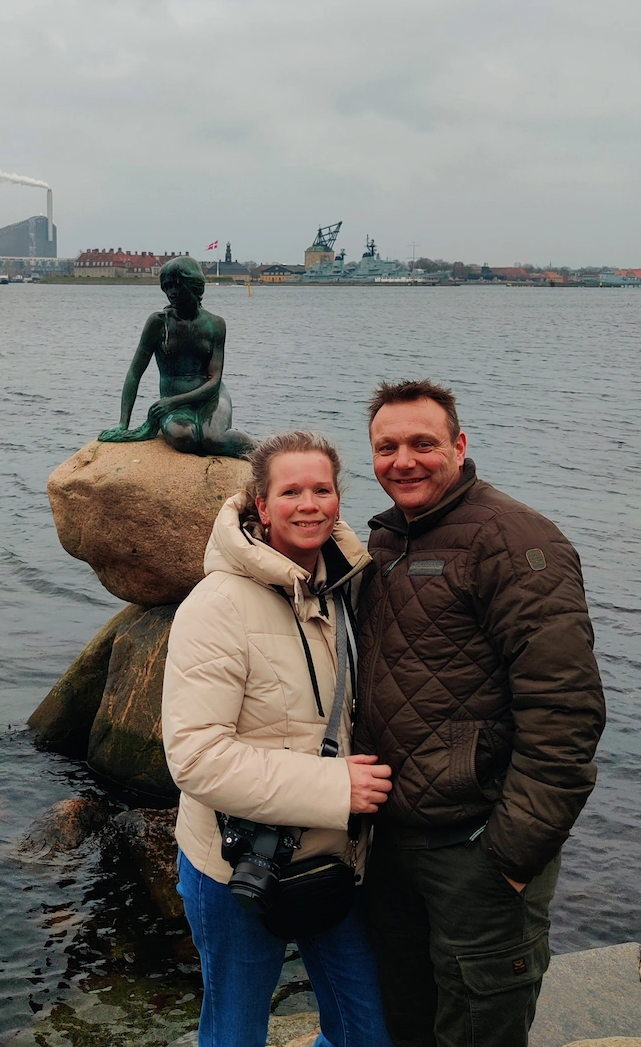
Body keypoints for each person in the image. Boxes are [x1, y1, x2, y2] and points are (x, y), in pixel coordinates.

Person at [356, 380, 606, 1047]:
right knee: (407, 1023)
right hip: (396, 845)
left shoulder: (519, 543)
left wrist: (514, 854)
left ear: (460, 446)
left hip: (476, 850)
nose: (403, 461)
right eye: (387, 447)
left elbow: (566, 712)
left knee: (478, 1026)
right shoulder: (386, 541)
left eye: (422, 444)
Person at [162, 431, 395, 1047]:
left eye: (322, 489)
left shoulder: (347, 587)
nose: (309, 503)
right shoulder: (216, 606)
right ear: (260, 506)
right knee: (235, 1033)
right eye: (290, 491)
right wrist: (336, 786)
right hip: (236, 864)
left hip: (333, 857)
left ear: (339, 499)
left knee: (368, 1032)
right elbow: (195, 757)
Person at [98, 255, 255, 457]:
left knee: (214, 438)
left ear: (193, 285)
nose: (171, 293)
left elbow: (215, 380)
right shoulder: (158, 323)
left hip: (212, 398)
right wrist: (123, 423)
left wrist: (172, 402)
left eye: (176, 286)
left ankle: (262, 452)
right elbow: (134, 373)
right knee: (185, 438)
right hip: (172, 402)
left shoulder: (216, 324)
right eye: (167, 287)